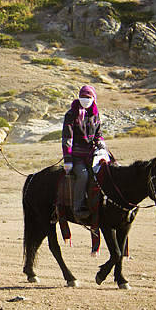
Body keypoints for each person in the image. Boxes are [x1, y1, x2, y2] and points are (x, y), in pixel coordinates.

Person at [62, 84, 105, 222]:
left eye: (88, 97)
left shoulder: (95, 113)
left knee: (106, 171)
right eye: (82, 97)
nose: (85, 99)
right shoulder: (71, 114)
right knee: (83, 175)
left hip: (93, 153)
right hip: (77, 156)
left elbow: (98, 133)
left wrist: (101, 143)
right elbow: (67, 138)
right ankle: (78, 207)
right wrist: (68, 160)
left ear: (93, 98)